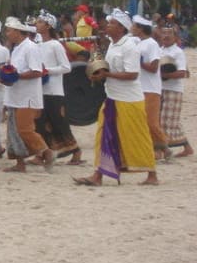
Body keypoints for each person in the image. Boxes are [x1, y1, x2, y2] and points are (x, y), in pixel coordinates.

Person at [74, 9, 159, 186]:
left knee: (137, 136)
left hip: (129, 100)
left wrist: (107, 75)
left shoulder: (129, 46)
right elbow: (109, 68)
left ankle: (152, 174)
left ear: (121, 28)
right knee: (104, 134)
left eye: (112, 23)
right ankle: (98, 174)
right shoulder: (113, 44)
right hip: (112, 97)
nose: (107, 26)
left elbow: (132, 74)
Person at [1, 17, 54, 172]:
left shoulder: (30, 47)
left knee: (24, 129)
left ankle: (46, 151)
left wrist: (17, 76)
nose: (7, 34)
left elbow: (37, 71)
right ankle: (20, 163)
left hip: (27, 97)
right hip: (15, 95)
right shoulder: (17, 48)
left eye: (9, 30)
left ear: (18, 32)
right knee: (13, 131)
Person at [34, 11, 81, 163]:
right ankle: (44, 153)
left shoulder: (55, 45)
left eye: (40, 22)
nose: (37, 24)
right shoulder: (38, 45)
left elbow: (66, 67)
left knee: (58, 122)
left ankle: (75, 151)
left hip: (54, 90)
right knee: (41, 123)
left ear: (48, 26)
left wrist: (48, 70)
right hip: (41, 89)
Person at [132, 15, 170, 160]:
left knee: (151, 122)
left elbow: (154, 67)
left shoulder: (151, 44)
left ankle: (164, 147)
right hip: (140, 88)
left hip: (151, 88)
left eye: (134, 26)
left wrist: (140, 63)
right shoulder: (139, 43)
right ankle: (156, 150)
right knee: (142, 121)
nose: (132, 28)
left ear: (140, 29)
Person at [158, 25, 192, 157]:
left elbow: (182, 72)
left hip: (173, 90)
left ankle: (163, 150)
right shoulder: (160, 50)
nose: (166, 36)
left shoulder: (178, 52)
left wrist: (164, 76)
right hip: (160, 89)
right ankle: (186, 148)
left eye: (169, 34)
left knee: (167, 121)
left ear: (175, 37)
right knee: (169, 120)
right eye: (164, 33)